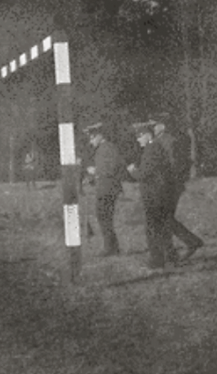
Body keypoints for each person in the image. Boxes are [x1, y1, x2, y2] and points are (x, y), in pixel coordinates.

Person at [152, 114, 204, 261]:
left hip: (169, 186)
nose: (152, 128)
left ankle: (190, 242)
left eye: (154, 125)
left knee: (164, 218)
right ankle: (171, 251)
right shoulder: (161, 141)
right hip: (167, 185)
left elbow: (172, 166)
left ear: (161, 127)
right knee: (164, 218)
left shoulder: (167, 142)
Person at [127, 122, 175, 270]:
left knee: (152, 228)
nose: (138, 139)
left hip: (154, 195)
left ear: (148, 134)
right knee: (162, 227)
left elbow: (144, 174)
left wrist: (132, 171)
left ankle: (157, 260)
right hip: (159, 193)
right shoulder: (154, 147)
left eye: (140, 136)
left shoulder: (151, 149)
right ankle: (170, 258)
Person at [85, 123, 126, 257]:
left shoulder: (108, 148)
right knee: (104, 217)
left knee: (104, 217)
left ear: (99, 136)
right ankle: (113, 247)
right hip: (104, 187)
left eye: (92, 138)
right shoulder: (102, 148)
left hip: (108, 188)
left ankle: (111, 248)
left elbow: (112, 168)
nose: (91, 142)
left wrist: (95, 171)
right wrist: (91, 178)